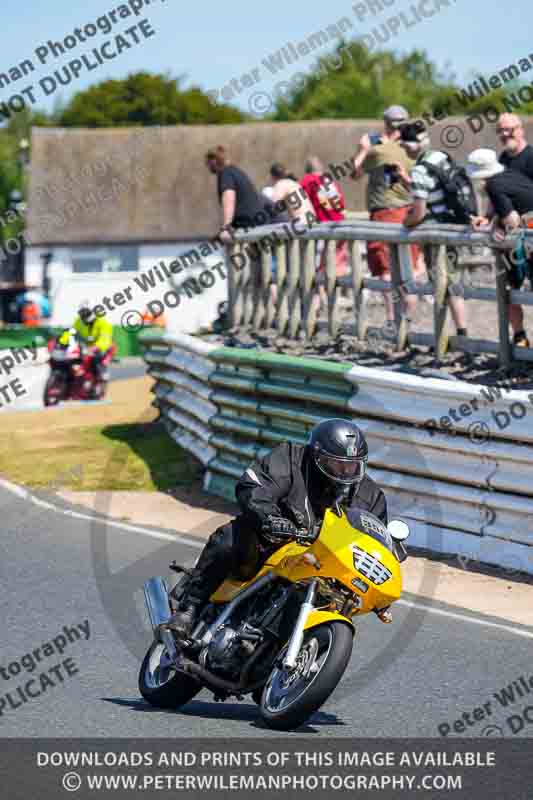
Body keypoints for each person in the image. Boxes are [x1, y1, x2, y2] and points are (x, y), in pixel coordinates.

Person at [169, 418, 387, 636]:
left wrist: (380, 587)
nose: (346, 471)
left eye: (352, 465)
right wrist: (270, 519)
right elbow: (255, 486)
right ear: (317, 456)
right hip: (272, 543)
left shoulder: (371, 496)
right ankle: (190, 606)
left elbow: (375, 543)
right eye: (338, 464)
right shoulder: (291, 459)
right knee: (232, 538)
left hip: (325, 562)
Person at [395, 120, 469, 340]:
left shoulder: (419, 169)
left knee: (440, 283)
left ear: (411, 145)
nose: (404, 151)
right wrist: (408, 183)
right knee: (453, 281)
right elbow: (436, 192)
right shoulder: (440, 157)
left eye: (405, 146)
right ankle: (461, 332)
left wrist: (405, 224)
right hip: (452, 226)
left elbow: (419, 211)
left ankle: (444, 338)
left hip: (435, 233)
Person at [352, 105, 420, 326]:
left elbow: (355, 172)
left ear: (385, 122)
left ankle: (393, 318)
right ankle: (408, 316)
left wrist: (363, 149)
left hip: (384, 211)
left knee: (385, 267)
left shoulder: (378, 150)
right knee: (409, 265)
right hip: (411, 210)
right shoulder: (414, 148)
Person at [468, 148, 533, 348]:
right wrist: (491, 219)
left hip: (526, 242)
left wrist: (491, 227)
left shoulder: (493, 186)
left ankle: (520, 338)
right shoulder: (511, 174)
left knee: (510, 288)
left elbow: (512, 221)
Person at [205, 145, 272, 243]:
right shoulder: (235, 171)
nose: (207, 166)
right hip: (257, 223)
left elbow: (229, 196)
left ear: (214, 160)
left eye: (207, 163)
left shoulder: (225, 173)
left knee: (237, 255)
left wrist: (226, 227)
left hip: (248, 227)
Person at [300, 156, 348, 277]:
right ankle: (333, 293)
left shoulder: (307, 180)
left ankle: (318, 293)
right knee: (336, 267)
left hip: (323, 228)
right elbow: (341, 205)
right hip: (341, 225)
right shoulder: (329, 181)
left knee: (318, 268)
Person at [60, 301, 114, 386]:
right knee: (70, 356)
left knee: (98, 356)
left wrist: (96, 347)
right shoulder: (78, 321)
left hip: (101, 347)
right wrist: (62, 342)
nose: (84, 315)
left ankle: (102, 371)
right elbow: (70, 332)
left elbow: (105, 339)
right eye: (82, 313)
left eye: (86, 313)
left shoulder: (103, 323)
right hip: (85, 346)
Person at [497, 113, 533, 181]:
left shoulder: (531, 157)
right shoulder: (503, 158)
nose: (504, 134)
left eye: (508, 129)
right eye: (500, 130)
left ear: (521, 130)